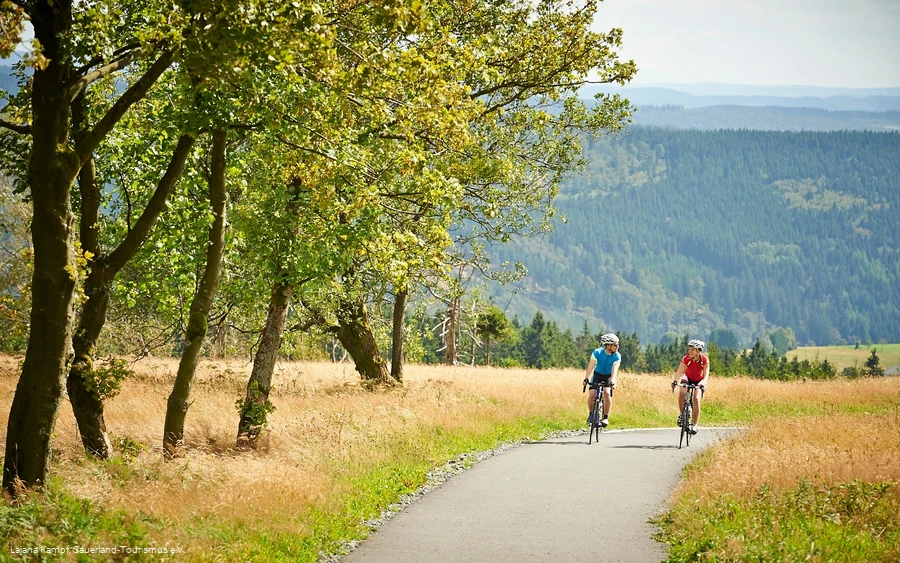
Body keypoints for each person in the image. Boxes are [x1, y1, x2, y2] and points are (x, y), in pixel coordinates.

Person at [672, 339, 709, 435]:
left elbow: (706, 375)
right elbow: (679, 371)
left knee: (696, 398)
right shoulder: (686, 358)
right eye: (689, 349)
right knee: (682, 392)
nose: (690, 351)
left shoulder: (704, 360)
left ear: (698, 350)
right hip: (688, 377)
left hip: (699, 380)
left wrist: (703, 385)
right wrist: (675, 381)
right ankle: (682, 414)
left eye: (692, 349)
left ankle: (695, 424)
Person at [583, 333, 621, 428]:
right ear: (608, 345)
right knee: (592, 395)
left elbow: (614, 370)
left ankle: (605, 417)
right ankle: (591, 415)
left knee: (607, 393)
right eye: (615, 345)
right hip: (597, 375)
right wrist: (587, 378)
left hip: (608, 376)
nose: (617, 346)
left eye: (617, 344)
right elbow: (591, 366)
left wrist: (612, 381)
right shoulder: (597, 352)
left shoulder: (617, 356)